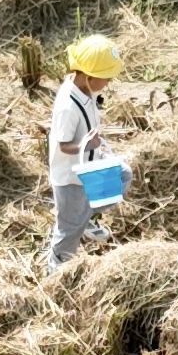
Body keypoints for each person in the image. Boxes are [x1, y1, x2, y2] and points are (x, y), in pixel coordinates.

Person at [46, 34, 130, 274]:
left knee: (123, 176)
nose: (109, 81)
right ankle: (55, 273)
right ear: (89, 76)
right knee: (68, 231)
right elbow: (63, 145)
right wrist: (85, 142)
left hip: (89, 165)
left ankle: (87, 219)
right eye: (106, 78)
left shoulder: (84, 86)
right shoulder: (66, 107)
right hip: (70, 177)